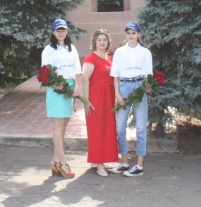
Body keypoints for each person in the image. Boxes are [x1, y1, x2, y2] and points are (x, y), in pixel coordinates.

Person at [41, 18, 83, 178]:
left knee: (64, 125)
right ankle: (64, 162)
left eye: (63, 30)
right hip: (56, 89)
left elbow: (77, 71)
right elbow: (44, 73)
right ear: (53, 32)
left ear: (67, 32)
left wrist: (77, 87)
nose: (60, 33)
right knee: (58, 126)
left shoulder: (72, 49)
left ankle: (55, 161)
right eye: (58, 30)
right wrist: (54, 85)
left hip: (69, 89)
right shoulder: (48, 50)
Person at [109, 22, 152, 177]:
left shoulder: (145, 52)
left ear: (138, 34)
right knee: (120, 128)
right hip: (124, 86)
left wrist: (148, 86)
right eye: (128, 33)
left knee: (140, 127)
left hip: (139, 86)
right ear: (125, 34)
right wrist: (117, 94)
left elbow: (148, 74)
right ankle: (125, 162)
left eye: (134, 33)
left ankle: (139, 165)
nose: (131, 35)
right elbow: (115, 75)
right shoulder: (120, 52)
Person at [82, 29, 118, 177]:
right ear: (94, 42)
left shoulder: (109, 58)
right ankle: (99, 165)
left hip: (108, 98)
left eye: (104, 40)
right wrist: (86, 101)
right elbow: (85, 79)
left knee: (107, 129)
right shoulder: (91, 58)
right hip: (96, 99)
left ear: (108, 42)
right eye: (99, 40)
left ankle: (99, 160)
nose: (102, 42)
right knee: (97, 130)